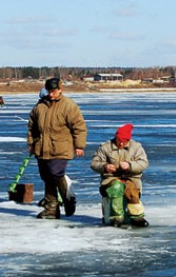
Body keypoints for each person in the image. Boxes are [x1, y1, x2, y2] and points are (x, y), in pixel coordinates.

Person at [27, 77, 87, 219]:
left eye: (54, 91)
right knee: (47, 178)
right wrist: (31, 143)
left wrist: (79, 145)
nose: (51, 94)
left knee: (56, 173)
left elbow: (79, 127)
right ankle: (51, 209)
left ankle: (68, 198)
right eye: (49, 91)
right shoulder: (40, 106)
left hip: (61, 147)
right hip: (42, 147)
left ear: (60, 90)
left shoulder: (69, 106)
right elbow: (32, 126)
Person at [90, 123, 149, 227]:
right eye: (119, 140)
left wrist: (130, 165)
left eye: (125, 141)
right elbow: (94, 163)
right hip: (110, 179)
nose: (121, 144)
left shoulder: (136, 147)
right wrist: (105, 166)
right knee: (116, 187)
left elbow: (144, 163)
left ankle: (137, 216)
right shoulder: (105, 147)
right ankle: (117, 217)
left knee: (131, 189)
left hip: (131, 178)